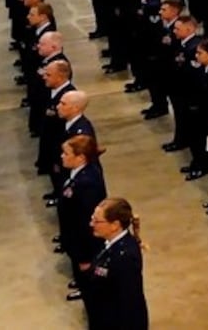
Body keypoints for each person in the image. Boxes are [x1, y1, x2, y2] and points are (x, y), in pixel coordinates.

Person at [80, 197, 148, 329]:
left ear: (115, 225)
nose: (91, 224)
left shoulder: (125, 257)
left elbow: (128, 302)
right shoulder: (109, 243)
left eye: (97, 221)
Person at [57, 134, 108, 300]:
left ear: (80, 158)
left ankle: (87, 291)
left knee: (87, 276)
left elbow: (86, 221)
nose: (62, 156)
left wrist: (84, 254)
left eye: (66, 153)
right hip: (73, 234)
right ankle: (82, 283)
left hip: (82, 240)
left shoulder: (87, 183)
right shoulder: (77, 173)